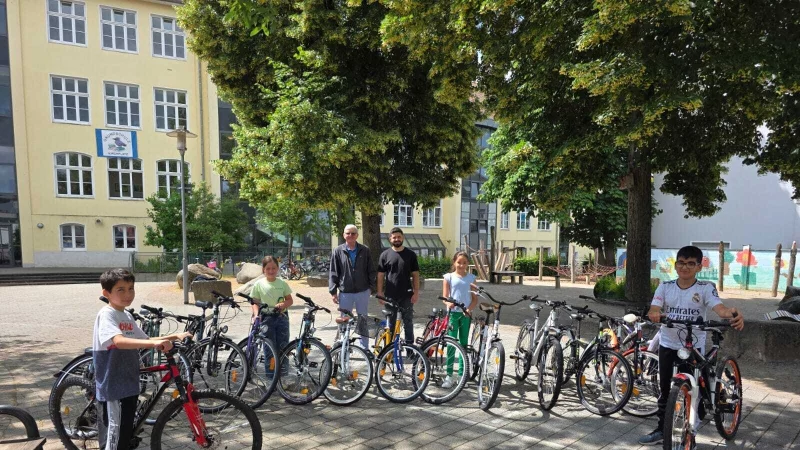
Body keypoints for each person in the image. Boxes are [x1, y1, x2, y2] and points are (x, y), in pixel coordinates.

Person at [638, 246, 744, 446]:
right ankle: (662, 429)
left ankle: (690, 433)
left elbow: (719, 309)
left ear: (698, 267)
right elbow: (655, 307)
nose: (684, 267)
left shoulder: (705, 288)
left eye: (690, 263)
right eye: (681, 262)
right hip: (668, 344)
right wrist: (654, 312)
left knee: (698, 393)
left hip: (694, 346)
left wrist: (732, 313)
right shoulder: (665, 286)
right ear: (675, 265)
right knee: (665, 391)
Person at [93, 269, 191, 450]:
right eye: (120, 290)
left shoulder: (127, 315)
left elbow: (145, 341)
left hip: (128, 383)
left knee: (124, 435)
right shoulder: (107, 314)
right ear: (106, 293)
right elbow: (118, 341)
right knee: (113, 441)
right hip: (114, 386)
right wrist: (156, 345)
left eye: (131, 288)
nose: (128, 294)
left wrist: (175, 336)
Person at [329, 224, 377, 348]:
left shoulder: (364, 250)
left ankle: (364, 348)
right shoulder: (338, 251)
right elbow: (334, 271)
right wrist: (333, 291)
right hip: (345, 292)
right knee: (344, 320)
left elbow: (371, 269)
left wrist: (371, 287)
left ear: (357, 235)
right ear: (344, 235)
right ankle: (342, 346)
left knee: (363, 320)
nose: (350, 235)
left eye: (353, 233)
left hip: (362, 291)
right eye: (348, 233)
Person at [377, 227, 420, 346]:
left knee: (408, 322)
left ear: (403, 238)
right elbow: (380, 275)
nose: (397, 239)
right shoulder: (384, 255)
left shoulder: (410, 255)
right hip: (390, 295)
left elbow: (415, 274)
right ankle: (389, 350)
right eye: (394, 237)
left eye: (399, 237)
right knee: (390, 323)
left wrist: (416, 292)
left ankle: (410, 348)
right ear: (390, 239)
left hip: (407, 295)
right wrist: (380, 293)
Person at [249, 256, 294, 371]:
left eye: (274, 268)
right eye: (268, 268)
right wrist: (256, 314)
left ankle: (283, 375)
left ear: (278, 269)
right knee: (269, 348)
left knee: (283, 347)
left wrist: (284, 304)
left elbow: (290, 300)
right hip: (266, 318)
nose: (271, 271)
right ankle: (270, 376)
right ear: (263, 269)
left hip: (281, 317)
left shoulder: (282, 283)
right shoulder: (258, 284)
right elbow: (254, 302)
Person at [441, 251, 478, 388]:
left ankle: (462, 375)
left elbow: (475, 299)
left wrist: (469, 309)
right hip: (452, 314)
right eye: (459, 262)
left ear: (467, 264)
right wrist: (447, 303)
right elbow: (445, 297)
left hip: (465, 315)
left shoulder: (471, 278)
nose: (461, 265)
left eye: (464, 262)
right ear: (454, 262)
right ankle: (449, 375)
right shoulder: (448, 277)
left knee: (463, 344)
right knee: (451, 344)